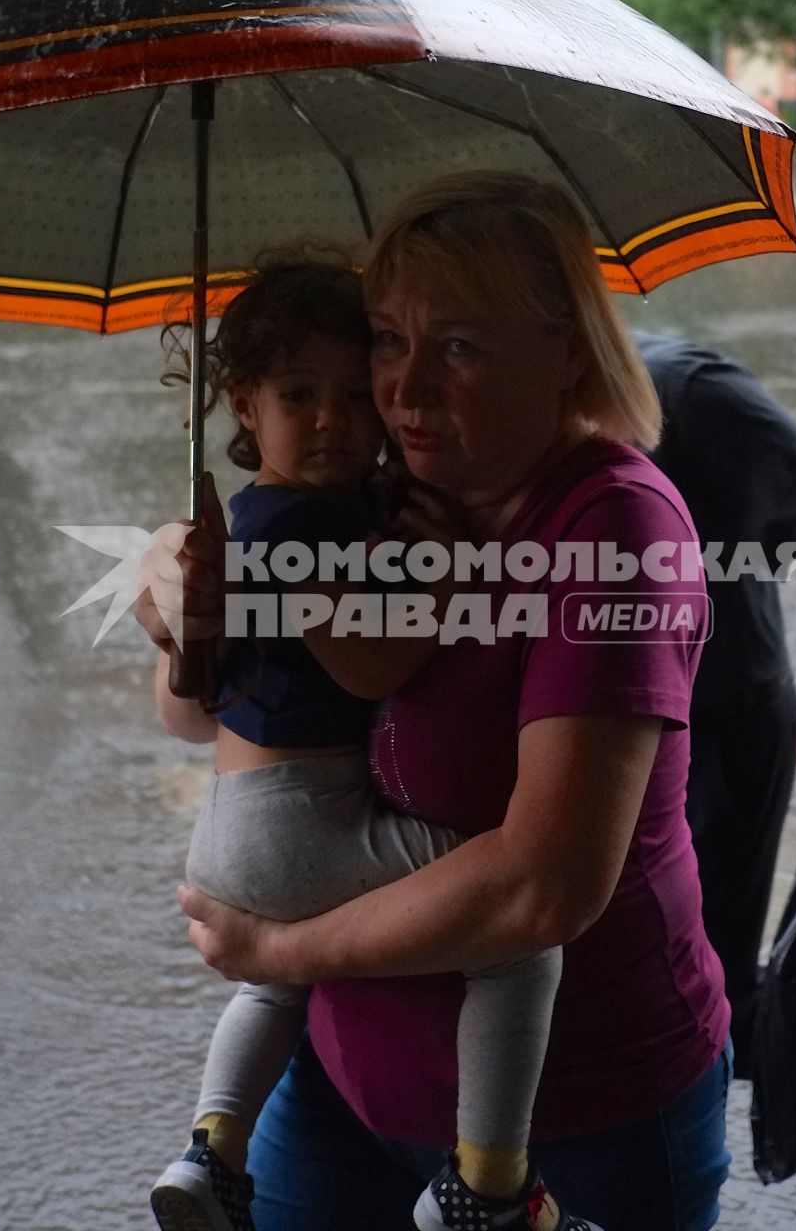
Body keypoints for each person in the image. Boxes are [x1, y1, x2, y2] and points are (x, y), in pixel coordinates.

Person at [137, 172, 730, 1231]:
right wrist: (186, 620)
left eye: (458, 346)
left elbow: (542, 889)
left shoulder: (614, 531)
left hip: (574, 1117)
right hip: (344, 1075)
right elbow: (200, 718)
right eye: (387, 340)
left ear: (565, 353)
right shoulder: (392, 491)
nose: (404, 391)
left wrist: (274, 953)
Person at [145, 261, 590, 1231]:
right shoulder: (296, 530)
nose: (332, 422)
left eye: (356, 397)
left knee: (276, 987)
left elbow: (196, 694)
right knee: (516, 933)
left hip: (234, 830)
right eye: (298, 396)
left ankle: (213, 1149)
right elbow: (370, 665)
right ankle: (489, 1178)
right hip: (301, 823)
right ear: (242, 403)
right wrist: (441, 583)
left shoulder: (261, 520)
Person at [631, 333, 796, 1053]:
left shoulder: (686, 394)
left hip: (723, 721)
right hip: (605, 726)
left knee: (705, 996)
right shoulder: (475, 406)